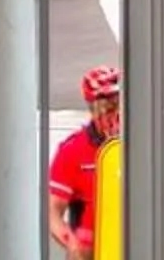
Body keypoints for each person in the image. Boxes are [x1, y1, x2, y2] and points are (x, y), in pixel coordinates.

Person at [46, 65, 121, 255]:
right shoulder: (73, 150)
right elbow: (51, 211)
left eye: (119, 104)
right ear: (93, 109)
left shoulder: (142, 143)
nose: (115, 114)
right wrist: (72, 243)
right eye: (108, 107)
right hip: (92, 250)